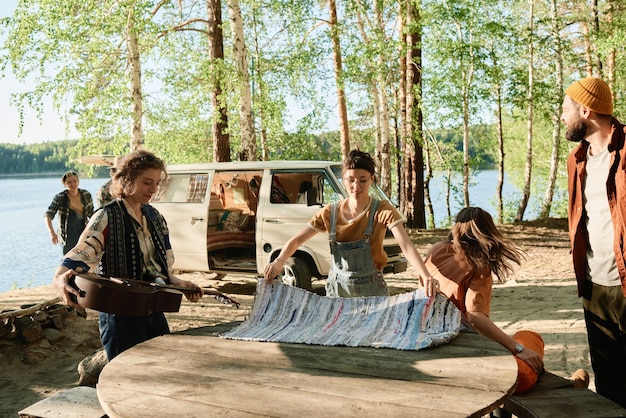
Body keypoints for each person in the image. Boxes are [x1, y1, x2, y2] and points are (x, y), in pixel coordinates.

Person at [52, 150, 203, 360]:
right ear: (128, 179)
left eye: (157, 183)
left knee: (161, 373)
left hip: (154, 311)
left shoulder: (155, 217)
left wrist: (181, 284)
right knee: (124, 382)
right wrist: (59, 278)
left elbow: (158, 272)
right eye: (147, 182)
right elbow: (80, 255)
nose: (153, 189)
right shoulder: (106, 217)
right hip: (119, 317)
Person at [264, 148, 439, 298]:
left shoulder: (382, 210)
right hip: (337, 291)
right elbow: (297, 240)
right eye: (351, 180)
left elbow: (406, 246)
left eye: (363, 180)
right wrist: (279, 260)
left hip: (372, 290)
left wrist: (425, 275)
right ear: (343, 180)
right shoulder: (329, 213)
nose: (356, 186)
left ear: (372, 179)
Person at [424, 207, 544, 393]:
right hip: (461, 343)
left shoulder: (435, 251)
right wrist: (518, 348)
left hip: (426, 334)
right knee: (530, 341)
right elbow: (475, 317)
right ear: (488, 231)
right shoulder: (478, 265)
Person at [562, 76, 626, 407]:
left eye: (565, 109)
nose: (562, 117)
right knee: (609, 381)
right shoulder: (577, 160)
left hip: (625, 282)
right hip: (594, 285)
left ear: (586, 110)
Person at [44, 171, 94, 255]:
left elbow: (91, 214)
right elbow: (48, 215)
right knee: (68, 260)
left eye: (75, 181)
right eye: (69, 182)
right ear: (64, 184)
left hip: (83, 232)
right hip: (67, 235)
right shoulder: (60, 198)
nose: (73, 184)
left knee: (84, 260)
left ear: (78, 181)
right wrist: (52, 233)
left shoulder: (86, 194)